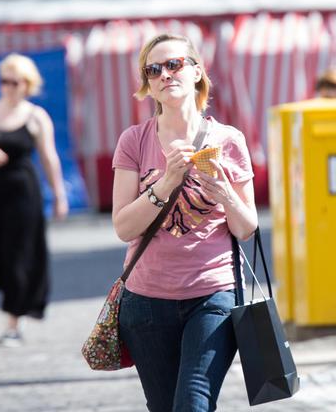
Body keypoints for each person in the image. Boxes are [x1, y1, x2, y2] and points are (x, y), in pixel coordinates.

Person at [112, 34, 258, 412]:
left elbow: (246, 228)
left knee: (192, 403)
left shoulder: (228, 140)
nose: (165, 75)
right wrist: (166, 182)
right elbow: (124, 227)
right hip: (145, 301)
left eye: (175, 64)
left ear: (197, 72)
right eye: (154, 69)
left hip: (213, 294)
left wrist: (225, 191)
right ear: (148, 85)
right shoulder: (134, 141)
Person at [0, 53, 68, 346]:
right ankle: (15, 301)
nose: (7, 87)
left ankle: (12, 322)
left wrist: (59, 194)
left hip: (23, 196)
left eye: (14, 82)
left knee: (18, 257)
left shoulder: (35, 116)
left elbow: (49, 157)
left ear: (27, 84)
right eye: (3, 81)